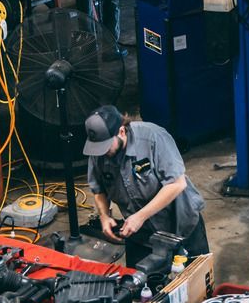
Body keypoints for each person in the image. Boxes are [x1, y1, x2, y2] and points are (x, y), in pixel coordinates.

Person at [82, 104, 208, 266]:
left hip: (181, 225)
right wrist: (104, 216)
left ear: (121, 131)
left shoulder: (153, 137)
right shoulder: (99, 151)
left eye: (106, 146)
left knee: (196, 282)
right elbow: (99, 189)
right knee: (138, 285)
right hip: (141, 235)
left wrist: (140, 216)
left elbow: (176, 184)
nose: (102, 152)